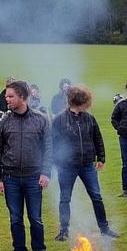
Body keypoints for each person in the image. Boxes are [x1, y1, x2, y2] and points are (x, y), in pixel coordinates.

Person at [0, 80, 51, 251]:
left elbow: (48, 148)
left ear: (22, 97)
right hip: (10, 178)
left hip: (34, 176)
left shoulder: (41, 119)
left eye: (10, 96)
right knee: (15, 218)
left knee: (35, 218)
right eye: (6, 96)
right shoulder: (3, 122)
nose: (7, 99)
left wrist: (46, 173)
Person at [51, 85, 117, 241]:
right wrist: (57, 161)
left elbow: (97, 138)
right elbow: (53, 143)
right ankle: (64, 230)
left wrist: (101, 157)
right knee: (65, 198)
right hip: (67, 166)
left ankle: (104, 228)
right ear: (77, 102)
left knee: (96, 196)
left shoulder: (89, 118)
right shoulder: (59, 120)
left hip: (87, 165)